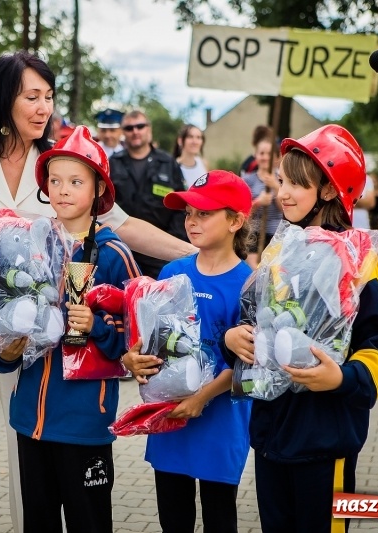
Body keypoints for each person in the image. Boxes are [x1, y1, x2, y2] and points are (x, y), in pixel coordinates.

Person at [0, 50, 196, 533]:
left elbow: (123, 225)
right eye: (32, 97)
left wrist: (197, 255)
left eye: (48, 97)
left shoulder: (56, 164)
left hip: (31, 335)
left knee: (25, 442)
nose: (43, 107)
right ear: (5, 98)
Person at [221, 125, 378, 533]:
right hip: (270, 438)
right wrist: (232, 339)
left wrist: (342, 377)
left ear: (331, 191)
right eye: (282, 180)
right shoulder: (280, 250)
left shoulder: (360, 261)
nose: (283, 192)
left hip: (325, 442)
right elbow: (255, 322)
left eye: (297, 184)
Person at [0, 125, 140, 532]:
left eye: (76, 181)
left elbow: (137, 344)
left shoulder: (112, 254)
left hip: (84, 426)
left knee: (88, 522)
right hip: (29, 421)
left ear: (99, 191)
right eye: (54, 180)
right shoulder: (26, 244)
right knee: (37, 523)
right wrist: (6, 351)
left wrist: (96, 327)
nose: (62, 190)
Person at [123, 170, 254, 533]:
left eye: (204, 213)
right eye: (188, 213)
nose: (192, 222)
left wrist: (202, 397)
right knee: (173, 517)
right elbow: (150, 341)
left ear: (235, 221)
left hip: (219, 421)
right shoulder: (171, 272)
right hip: (170, 418)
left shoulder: (249, 283)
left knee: (219, 516)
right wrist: (132, 360)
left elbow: (248, 362)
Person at [110, 109, 188, 278]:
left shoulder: (168, 163)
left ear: (149, 129)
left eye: (140, 126)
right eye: (129, 128)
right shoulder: (113, 164)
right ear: (123, 132)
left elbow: (181, 207)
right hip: (121, 251)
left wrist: (171, 243)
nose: (135, 131)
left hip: (159, 253)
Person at [242, 134, 282, 267]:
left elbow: (287, 211)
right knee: (255, 271)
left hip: (276, 234)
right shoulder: (248, 180)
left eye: (269, 153)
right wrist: (258, 202)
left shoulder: (283, 179)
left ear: (276, 157)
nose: (265, 157)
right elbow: (242, 212)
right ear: (256, 155)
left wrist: (276, 187)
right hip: (254, 234)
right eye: (262, 153)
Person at [173, 123, 209, 189]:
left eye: (198, 137)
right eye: (190, 137)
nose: (195, 141)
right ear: (180, 140)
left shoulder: (203, 163)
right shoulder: (172, 166)